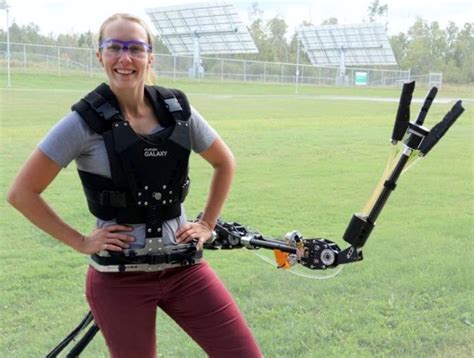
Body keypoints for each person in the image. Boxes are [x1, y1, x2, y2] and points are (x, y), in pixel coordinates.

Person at [7, 13, 262, 358]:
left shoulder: (178, 110)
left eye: (135, 48)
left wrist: (207, 224)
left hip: (185, 270)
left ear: (149, 57)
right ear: (99, 55)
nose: (124, 58)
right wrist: (82, 241)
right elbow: (22, 193)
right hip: (118, 279)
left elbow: (224, 161)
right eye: (113, 47)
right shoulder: (83, 123)